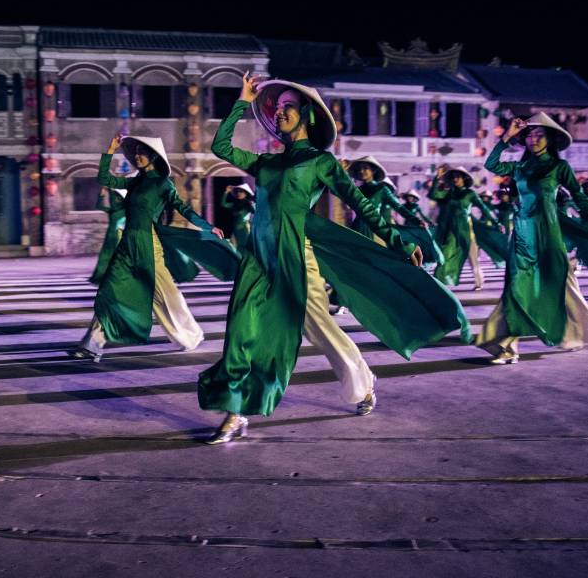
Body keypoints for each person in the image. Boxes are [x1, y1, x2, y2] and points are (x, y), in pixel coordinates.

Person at [198, 73, 470, 443]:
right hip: (257, 261)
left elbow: (357, 201)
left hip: (296, 257)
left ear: (308, 114)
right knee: (241, 334)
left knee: (321, 330)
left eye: (289, 107)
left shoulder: (320, 162)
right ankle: (236, 413)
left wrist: (395, 240)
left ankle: (363, 386)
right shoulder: (266, 163)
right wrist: (242, 102)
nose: (280, 114)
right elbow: (221, 148)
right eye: (277, 109)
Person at [69, 135, 238, 361]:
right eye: (135, 152)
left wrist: (207, 227)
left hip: (150, 246)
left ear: (153, 156)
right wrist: (109, 151)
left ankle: (189, 335)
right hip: (126, 247)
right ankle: (92, 346)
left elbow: (183, 208)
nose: (137, 156)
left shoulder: (162, 183)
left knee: (167, 298)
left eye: (142, 152)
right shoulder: (135, 181)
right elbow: (104, 178)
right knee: (109, 293)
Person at [476, 114, 588, 363]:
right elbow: (491, 165)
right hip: (521, 235)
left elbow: (581, 200)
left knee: (557, 284)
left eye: (539, 134)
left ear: (551, 139)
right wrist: (506, 138)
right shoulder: (520, 167)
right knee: (515, 288)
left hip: (548, 234)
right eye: (530, 135)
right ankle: (506, 344)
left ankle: (578, 330)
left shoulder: (559, 167)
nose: (533, 139)